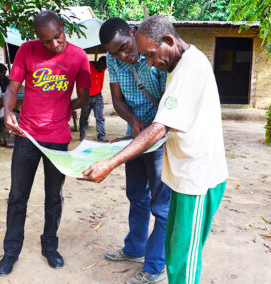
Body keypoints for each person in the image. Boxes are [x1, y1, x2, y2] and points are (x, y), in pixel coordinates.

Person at [82, 16, 229, 284]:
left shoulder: (189, 69)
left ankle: (154, 266)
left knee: (183, 260)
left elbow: (160, 127)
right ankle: (141, 252)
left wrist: (110, 163)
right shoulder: (178, 64)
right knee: (176, 253)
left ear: (169, 41)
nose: (148, 63)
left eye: (150, 55)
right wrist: (130, 134)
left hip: (197, 178)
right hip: (183, 174)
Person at [0, 10, 91, 275]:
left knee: (53, 196)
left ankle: (50, 246)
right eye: (46, 41)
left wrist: (61, 109)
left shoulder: (78, 57)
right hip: (26, 136)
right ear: (37, 37)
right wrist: (8, 113)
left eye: (57, 37)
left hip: (57, 139)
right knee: (17, 197)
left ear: (63, 28)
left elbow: (83, 98)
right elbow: (12, 89)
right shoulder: (26, 51)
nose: (54, 44)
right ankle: (11, 251)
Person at [96, 18, 170, 284]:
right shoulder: (113, 58)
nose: (123, 56)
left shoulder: (154, 52)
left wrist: (150, 129)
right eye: (115, 53)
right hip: (135, 135)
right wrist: (133, 122)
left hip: (160, 137)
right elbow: (117, 99)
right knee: (136, 194)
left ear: (133, 33)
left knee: (161, 204)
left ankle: (155, 266)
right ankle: (135, 249)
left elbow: (170, 100)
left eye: (125, 48)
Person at [79, 56, 107, 141]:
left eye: (105, 68)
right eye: (102, 67)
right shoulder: (87, 65)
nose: (103, 70)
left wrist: (97, 91)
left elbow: (101, 81)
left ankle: (101, 136)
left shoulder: (103, 68)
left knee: (100, 117)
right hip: (86, 96)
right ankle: (82, 134)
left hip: (98, 96)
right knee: (84, 116)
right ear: (98, 63)